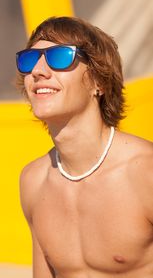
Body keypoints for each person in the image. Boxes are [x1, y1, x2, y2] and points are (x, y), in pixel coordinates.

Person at [15, 16, 153, 277]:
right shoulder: (33, 181)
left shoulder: (145, 172)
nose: (38, 71)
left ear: (98, 82)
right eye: (29, 60)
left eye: (59, 57)